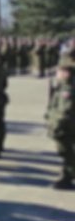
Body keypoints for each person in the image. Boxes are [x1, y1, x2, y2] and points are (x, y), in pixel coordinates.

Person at [46, 57, 75, 190]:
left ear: (66, 73)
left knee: (66, 150)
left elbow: (64, 111)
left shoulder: (67, 89)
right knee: (66, 151)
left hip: (66, 125)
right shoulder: (62, 85)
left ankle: (67, 176)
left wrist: (55, 125)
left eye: (59, 72)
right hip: (65, 124)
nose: (57, 74)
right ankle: (67, 174)